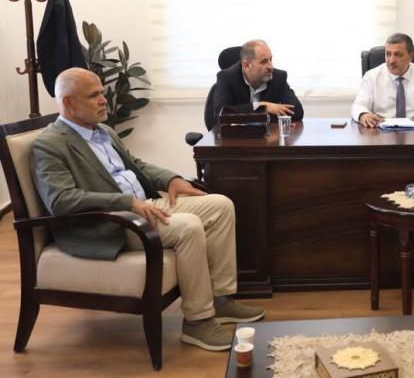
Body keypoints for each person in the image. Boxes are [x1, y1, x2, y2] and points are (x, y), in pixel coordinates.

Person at [30, 68, 265, 352]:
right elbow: (62, 200)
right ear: (68, 103)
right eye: (94, 96)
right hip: (112, 222)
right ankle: (198, 321)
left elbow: (136, 165)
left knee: (220, 205)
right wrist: (127, 203)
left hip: (144, 206)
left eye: (102, 93)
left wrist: (170, 180)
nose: (103, 100)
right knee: (188, 226)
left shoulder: (103, 131)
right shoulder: (49, 144)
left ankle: (221, 299)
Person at [208, 39, 304, 130]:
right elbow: (221, 114)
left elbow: (297, 112)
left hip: (267, 137)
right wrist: (261, 106)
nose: (271, 66)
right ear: (246, 65)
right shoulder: (227, 77)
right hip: (235, 137)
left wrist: (246, 115)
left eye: (270, 59)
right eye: (264, 62)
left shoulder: (278, 77)